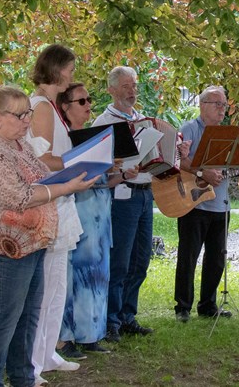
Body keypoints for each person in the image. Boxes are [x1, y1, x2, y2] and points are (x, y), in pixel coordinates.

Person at [0, 85, 97, 387]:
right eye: (20, 115)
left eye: (28, 114)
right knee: (4, 319)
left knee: (28, 317)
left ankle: (23, 378)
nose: (27, 121)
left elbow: (42, 177)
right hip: (6, 247)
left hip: (31, 242)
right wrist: (67, 187)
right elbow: (17, 196)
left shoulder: (20, 145)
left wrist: (75, 175)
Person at [25, 45, 84, 380]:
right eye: (70, 69)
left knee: (57, 284)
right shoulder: (42, 106)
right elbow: (42, 160)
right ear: (57, 69)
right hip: (49, 202)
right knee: (45, 288)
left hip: (60, 200)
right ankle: (32, 363)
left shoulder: (49, 107)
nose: (72, 76)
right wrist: (81, 165)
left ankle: (47, 353)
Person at [91, 66, 151, 340]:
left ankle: (128, 315)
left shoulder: (144, 120)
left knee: (141, 259)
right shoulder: (103, 122)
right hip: (121, 195)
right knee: (119, 261)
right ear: (112, 89)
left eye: (135, 85)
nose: (133, 91)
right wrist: (120, 170)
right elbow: (96, 167)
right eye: (127, 86)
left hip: (144, 193)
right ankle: (110, 319)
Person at [57, 83, 116, 354]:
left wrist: (121, 174)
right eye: (81, 101)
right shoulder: (65, 140)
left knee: (97, 273)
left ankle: (91, 334)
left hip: (100, 213)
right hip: (78, 211)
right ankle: (66, 336)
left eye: (89, 99)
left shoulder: (96, 139)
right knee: (75, 274)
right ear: (65, 107)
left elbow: (103, 181)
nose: (88, 105)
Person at [174, 86, 233, 322]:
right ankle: (182, 308)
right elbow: (178, 160)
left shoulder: (228, 134)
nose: (222, 109)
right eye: (217, 104)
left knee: (216, 259)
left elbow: (231, 166)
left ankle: (207, 305)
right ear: (202, 105)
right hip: (193, 203)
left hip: (220, 204)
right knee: (188, 257)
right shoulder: (189, 129)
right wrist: (202, 172)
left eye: (224, 105)